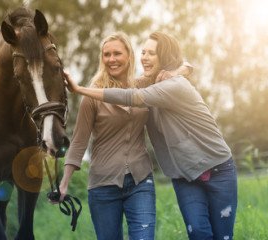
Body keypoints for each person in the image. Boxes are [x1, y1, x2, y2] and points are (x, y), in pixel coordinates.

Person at [64, 31, 238, 240]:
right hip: (138, 178)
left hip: (186, 172)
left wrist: (80, 89)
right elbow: (79, 141)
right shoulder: (120, 90)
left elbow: (135, 96)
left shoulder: (158, 85)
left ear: (129, 56)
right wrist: (65, 182)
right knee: (199, 233)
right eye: (143, 52)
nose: (112, 59)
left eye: (151, 53)